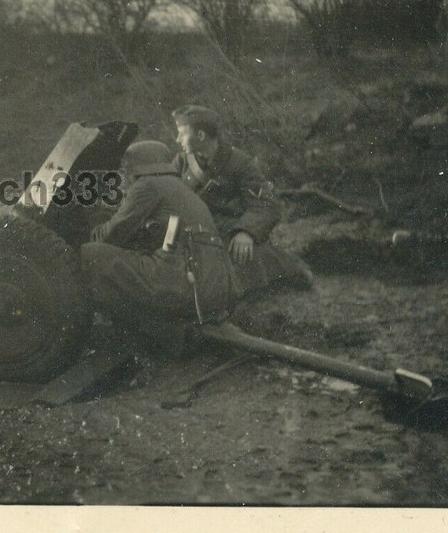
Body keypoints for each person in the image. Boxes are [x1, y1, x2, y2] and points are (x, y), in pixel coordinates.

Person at [80, 140, 238, 353]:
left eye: (125, 171)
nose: (124, 178)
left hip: (191, 284)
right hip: (216, 287)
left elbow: (109, 236)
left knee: (91, 254)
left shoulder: (147, 186)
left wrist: (88, 229)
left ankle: (136, 337)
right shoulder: (178, 187)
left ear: (135, 169)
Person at [170, 104, 313, 296]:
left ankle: (290, 271)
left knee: (246, 263)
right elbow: (169, 196)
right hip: (197, 231)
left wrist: (246, 232)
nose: (177, 139)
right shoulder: (182, 161)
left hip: (230, 232)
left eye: (182, 133)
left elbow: (266, 204)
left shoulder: (240, 164)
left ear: (201, 136)